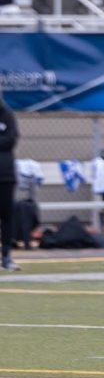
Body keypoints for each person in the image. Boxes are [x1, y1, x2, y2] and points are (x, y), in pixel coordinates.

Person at [0, 88, 17, 271]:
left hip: (5, 174)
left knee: (6, 215)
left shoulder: (7, 114)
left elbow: (10, 140)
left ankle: (6, 256)